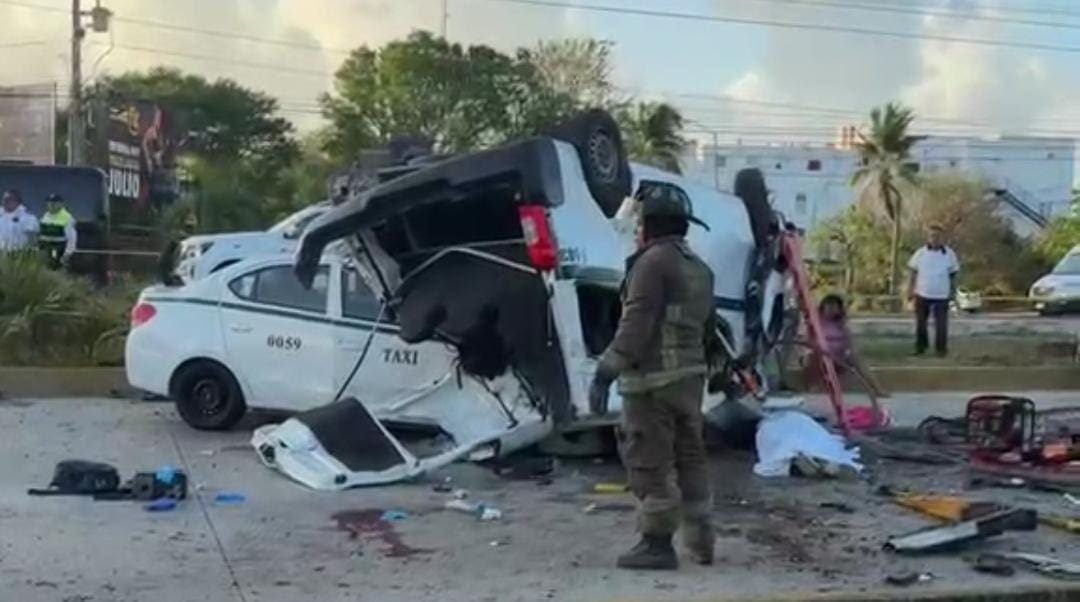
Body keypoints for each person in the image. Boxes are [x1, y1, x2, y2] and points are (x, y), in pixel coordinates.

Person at [589, 184, 718, 571]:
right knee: (690, 456)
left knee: (649, 459)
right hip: (689, 380)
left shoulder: (651, 263)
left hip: (652, 383)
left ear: (648, 225)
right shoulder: (699, 267)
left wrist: (605, 371)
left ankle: (657, 545)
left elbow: (636, 324)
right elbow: (708, 331)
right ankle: (701, 541)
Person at [906, 225, 959, 357]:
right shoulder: (920, 253)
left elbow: (953, 274)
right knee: (920, 323)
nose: (934, 239)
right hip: (922, 294)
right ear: (928, 238)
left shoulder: (949, 254)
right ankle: (920, 348)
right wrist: (909, 290)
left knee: (941, 325)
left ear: (942, 238)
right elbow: (913, 272)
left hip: (942, 295)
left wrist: (953, 292)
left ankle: (941, 350)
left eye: (937, 236)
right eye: (932, 236)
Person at [39, 193, 77, 269]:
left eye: (54, 203)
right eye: (49, 202)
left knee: (53, 265)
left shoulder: (67, 217)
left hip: (57, 248)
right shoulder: (45, 216)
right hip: (44, 247)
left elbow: (72, 239)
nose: (51, 205)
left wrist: (67, 254)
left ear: (61, 204)